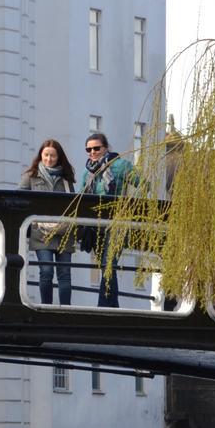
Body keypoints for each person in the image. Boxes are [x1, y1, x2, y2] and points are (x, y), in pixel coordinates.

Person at [78, 131, 137, 308]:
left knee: (109, 263)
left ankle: (103, 306)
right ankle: (113, 307)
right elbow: (80, 195)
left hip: (117, 222)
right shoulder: (87, 171)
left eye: (96, 148)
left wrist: (129, 207)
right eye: (88, 150)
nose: (92, 152)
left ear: (106, 148)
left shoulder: (121, 165)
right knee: (105, 266)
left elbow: (143, 184)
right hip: (96, 225)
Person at [19, 139, 77, 305]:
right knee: (46, 271)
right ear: (40, 156)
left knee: (64, 274)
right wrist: (31, 220)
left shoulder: (67, 179)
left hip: (64, 232)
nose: (49, 159)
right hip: (41, 232)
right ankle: (46, 308)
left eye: (53, 156)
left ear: (59, 157)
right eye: (46, 155)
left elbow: (73, 203)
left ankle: (65, 310)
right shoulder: (30, 176)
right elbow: (18, 197)